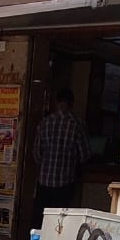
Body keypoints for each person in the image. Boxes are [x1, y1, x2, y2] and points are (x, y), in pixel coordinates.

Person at [32, 87, 90, 226]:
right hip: (65, 183)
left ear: (56, 102)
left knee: (41, 221)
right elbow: (85, 155)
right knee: (59, 222)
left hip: (44, 182)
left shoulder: (44, 123)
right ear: (72, 104)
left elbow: (37, 154)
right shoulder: (77, 124)